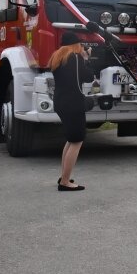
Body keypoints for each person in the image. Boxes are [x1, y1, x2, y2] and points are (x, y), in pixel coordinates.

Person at [49, 32, 94, 191]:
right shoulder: (75, 58)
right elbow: (88, 77)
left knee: (70, 140)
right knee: (76, 141)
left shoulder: (57, 57)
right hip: (73, 103)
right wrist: (86, 59)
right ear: (76, 45)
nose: (82, 47)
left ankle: (64, 176)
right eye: (81, 45)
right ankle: (65, 182)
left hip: (61, 102)